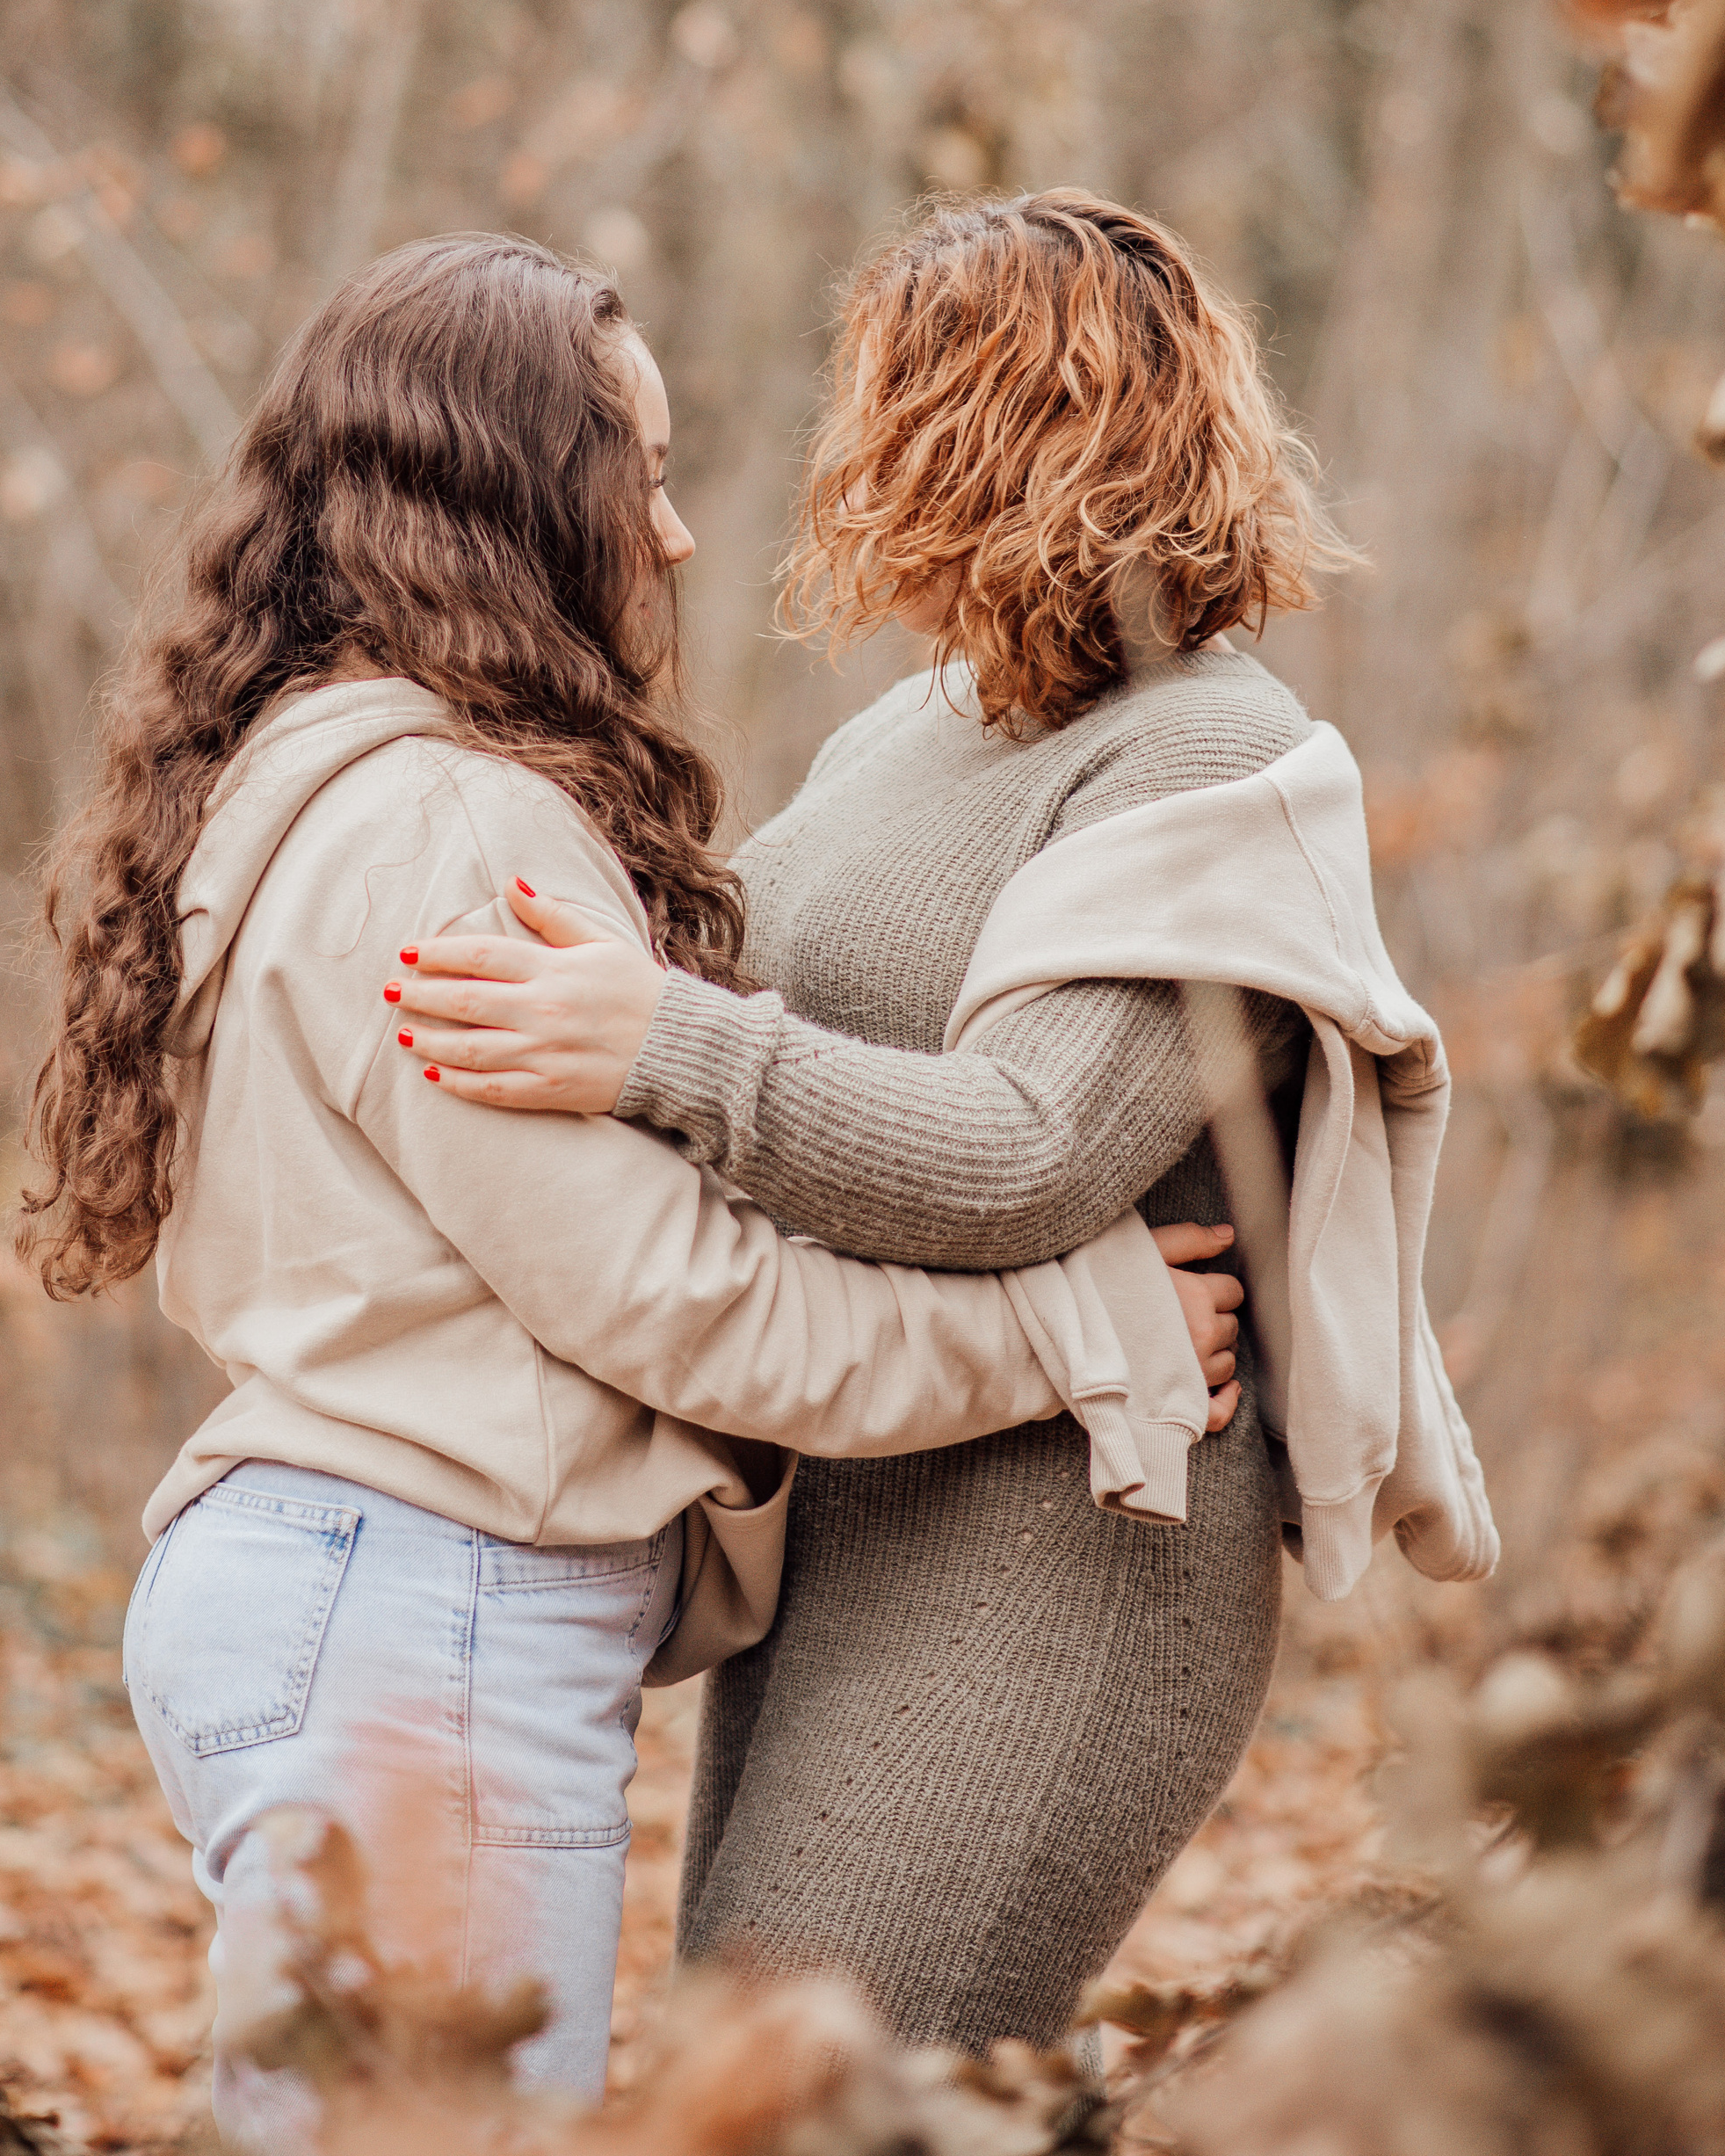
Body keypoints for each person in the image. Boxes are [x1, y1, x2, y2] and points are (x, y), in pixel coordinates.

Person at [13, 230, 1247, 2135]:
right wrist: (1088, 1327)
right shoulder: (448, 824)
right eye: (639, 476)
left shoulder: (309, 768)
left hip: (339, 1589)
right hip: (420, 1617)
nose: (672, 536)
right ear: (517, 502)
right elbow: (689, 1299)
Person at [387, 191, 1493, 2056]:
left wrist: (661, 1041)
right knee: (749, 2080)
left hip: (1073, 1555)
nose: (849, 452)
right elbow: (736, 982)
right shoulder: (914, 730)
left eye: (890, 400)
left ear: (1004, 428)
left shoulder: (1208, 758)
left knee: (840, 2090)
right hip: (872, 1486)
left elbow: (1024, 1152)